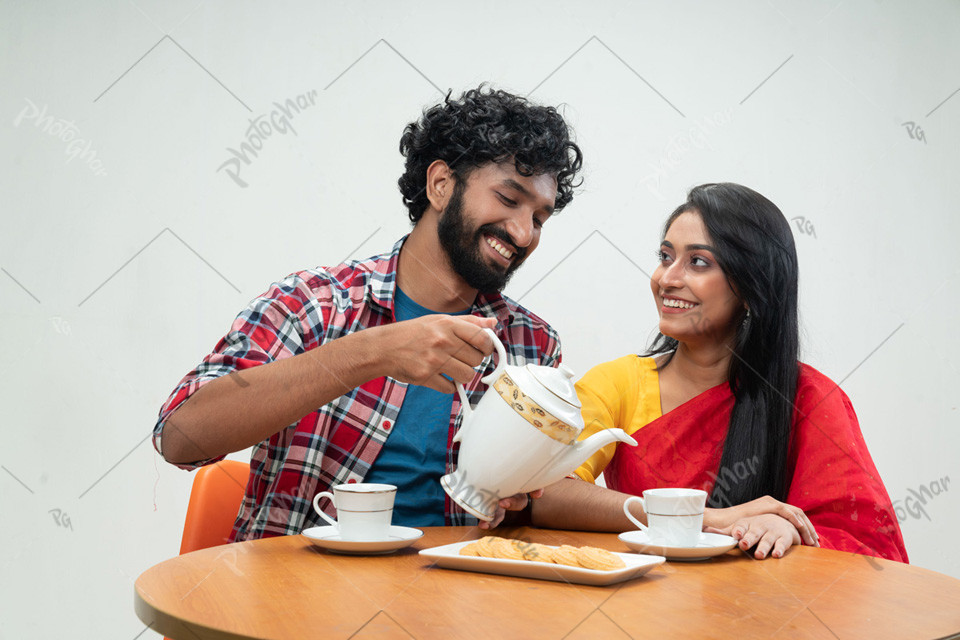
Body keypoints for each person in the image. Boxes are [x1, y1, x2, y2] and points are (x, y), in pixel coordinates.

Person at [153, 86, 583, 540]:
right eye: (509, 199)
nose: (522, 232)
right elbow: (179, 437)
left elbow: (522, 506)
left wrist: (512, 499)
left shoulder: (530, 344)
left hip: (451, 600)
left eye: (539, 218)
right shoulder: (314, 304)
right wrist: (374, 352)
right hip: (293, 598)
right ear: (441, 185)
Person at [532, 183, 907, 562]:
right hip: (640, 605)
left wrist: (791, 532)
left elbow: (869, 545)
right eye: (665, 256)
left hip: (756, 614)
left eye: (698, 262)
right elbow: (543, 493)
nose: (666, 279)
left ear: (749, 287)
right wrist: (706, 519)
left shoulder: (808, 398)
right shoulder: (617, 383)